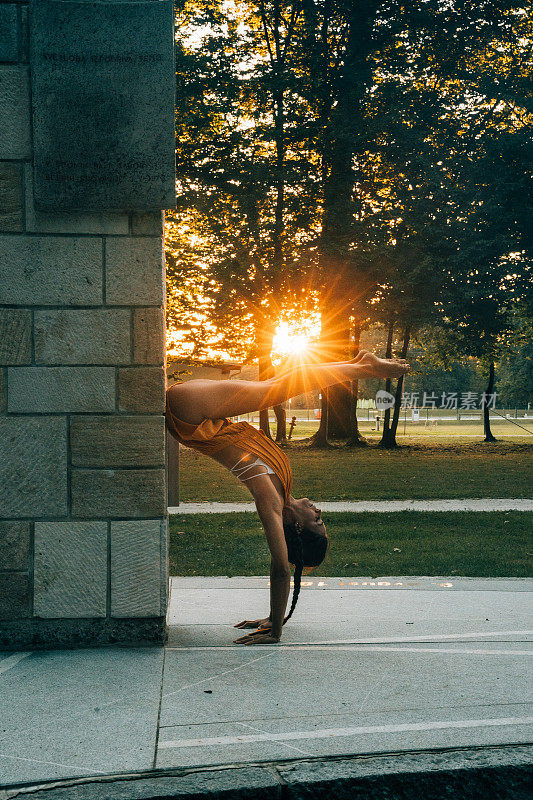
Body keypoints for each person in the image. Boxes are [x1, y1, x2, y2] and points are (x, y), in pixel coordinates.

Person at [165, 349, 410, 645]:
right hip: (203, 415)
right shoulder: (283, 488)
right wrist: (274, 616)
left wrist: (275, 631)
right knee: (283, 380)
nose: (318, 511)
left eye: (317, 520)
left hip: (190, 414)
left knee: (278, 388)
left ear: (296, 526)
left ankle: (365, 368)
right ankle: (359, 365)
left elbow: (281, 567)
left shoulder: (268, 497)